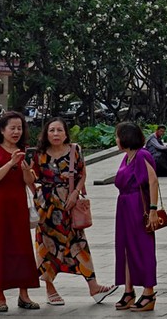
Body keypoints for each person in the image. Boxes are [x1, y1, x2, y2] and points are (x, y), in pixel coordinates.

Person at [31, 118, 116, 306]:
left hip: (70, 204)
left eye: (59, 130)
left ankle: (93, 286)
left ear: (65, 133)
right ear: (46, 133)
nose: (55, 134)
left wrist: (75, 193)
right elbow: (32, 177)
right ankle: (50, 289)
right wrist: (36, 196)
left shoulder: (74, 150)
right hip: (47, 208)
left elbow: (82, 173)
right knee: (47, 245)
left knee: (79, 243)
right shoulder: (38, 154)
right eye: (51, 130)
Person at [0, 111, 41, 312]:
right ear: (2, 130)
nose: (16, 132)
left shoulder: (25, 151)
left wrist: (25, 168)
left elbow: (30, 182)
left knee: (21, 249)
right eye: (12, 128)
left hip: (18, 206)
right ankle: (0, 296)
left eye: (19, 128)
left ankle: (24, 294)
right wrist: (10, 163)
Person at [113, 122, 160, 312]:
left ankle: (148, 293)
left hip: (137, 206)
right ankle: (128, 290)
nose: (116, 140)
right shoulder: (126, 157)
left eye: (118, 136)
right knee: (125, 248)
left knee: (143, 248)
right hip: (124, 206)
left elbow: (153, 180)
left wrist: (153, 209)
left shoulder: (142, 155)